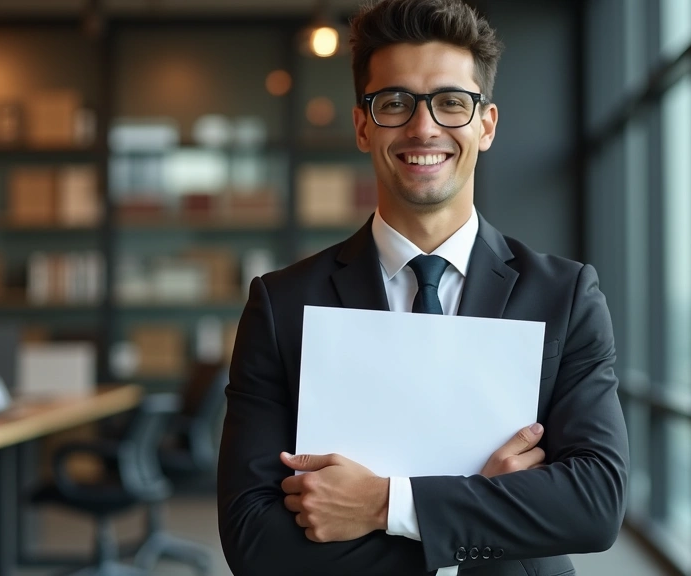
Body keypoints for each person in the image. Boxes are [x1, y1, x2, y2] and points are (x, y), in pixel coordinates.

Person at [216, 0, 629, 574]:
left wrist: (385, 505)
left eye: (451, 103)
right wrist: (482, 503)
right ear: (363, 126)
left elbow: (595, 505)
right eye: (394, 103)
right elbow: (252, 541)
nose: (423, 126)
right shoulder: (282, 305)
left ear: (485, 125)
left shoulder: (566, 296)